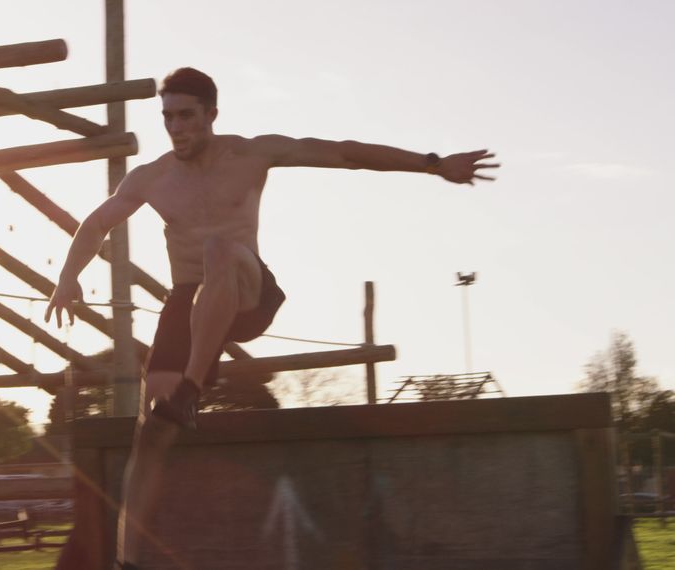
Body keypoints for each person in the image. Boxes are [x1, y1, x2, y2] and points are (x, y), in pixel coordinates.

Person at [45, 67, 498, 569]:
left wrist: (433, 165)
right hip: (187, 302)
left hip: (245, 290)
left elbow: (344, 153)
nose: (177, 128)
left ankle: (191, 391)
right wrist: (68, 276)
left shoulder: (253, 153)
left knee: (219, 248)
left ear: (211, 115)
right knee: (149, 432)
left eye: (187, 116)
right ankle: (127, 562)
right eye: (169, 118)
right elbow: (98, 222)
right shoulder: (151, 178)